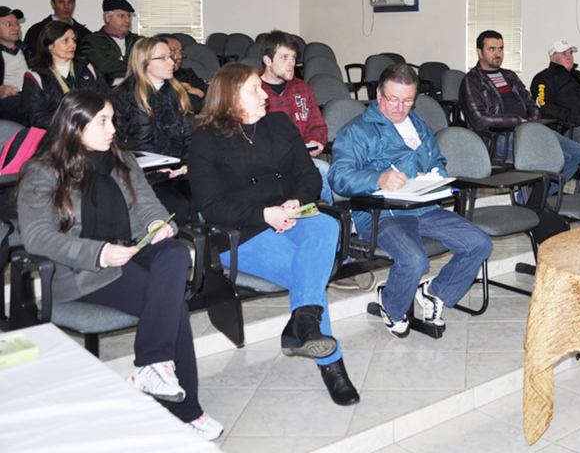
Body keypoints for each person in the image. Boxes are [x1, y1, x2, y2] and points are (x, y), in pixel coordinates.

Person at [15, 89, 222, 440]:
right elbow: (37, 237)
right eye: (103, 122)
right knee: (171, 304)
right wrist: (98, 253)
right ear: (75, 126)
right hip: (81, 272)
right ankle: (187, 411)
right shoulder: (43, 170)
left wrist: (160, 224)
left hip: (128, 253)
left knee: (173, 253)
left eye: (112, 119)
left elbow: (147, 206)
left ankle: (152, 365)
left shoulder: (120, 157)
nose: (113, 129)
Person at [189, 63, 358, 406]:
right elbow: (211, 205)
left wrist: (297, 200)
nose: (265, 93)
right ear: (230, 97)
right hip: (242, 232)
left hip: (292, 215)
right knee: (307, 275)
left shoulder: (279, 123)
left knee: (327, 224)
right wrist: (264, 213)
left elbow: (308, 174)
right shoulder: (206, 138)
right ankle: (330, 361)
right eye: (254, 89)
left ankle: (302, 323)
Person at [329, 63, 493, 338]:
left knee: (479, 243)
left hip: (423, 205)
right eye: (393, 99)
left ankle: (434, 293)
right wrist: (378, 178)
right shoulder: (357, 131)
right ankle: (391, 304)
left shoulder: (418, 125)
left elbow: (438, 160)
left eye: (407, 101)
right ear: (379, 95)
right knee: (415, 260)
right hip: (382, 213)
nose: (400, 107)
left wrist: (435, 174)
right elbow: (338, 177)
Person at [460, 30, 580, 182]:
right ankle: (530, 199)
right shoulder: (472, 80)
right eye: (492, 49)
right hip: (499, 137)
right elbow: (479, 120)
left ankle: (539, 197)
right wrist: (517, 121)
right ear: (479, 52)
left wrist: (530, 123)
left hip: (528, 130)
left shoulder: (509, 76)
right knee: (552, 159)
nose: (498, 53)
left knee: (578, 153)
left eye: (500, 48)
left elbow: (531, 104)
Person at [112, 37, 192, 228]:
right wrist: (150, 169)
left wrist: (187, 163)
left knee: (205, 197)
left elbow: (189, 136)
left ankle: (206, 254)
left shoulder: (177, 92)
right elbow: (115, 145)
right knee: (177, 207)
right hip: (141, 175)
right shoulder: (122, 96)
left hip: (176, 170)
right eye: (163, 58)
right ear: (144, 62)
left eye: (171, 57)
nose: (172, 62)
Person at [259, 30, 331, 202]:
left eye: (293, 57)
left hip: (300, 160)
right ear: (267, 60)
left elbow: (318, 126)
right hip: (267, 164)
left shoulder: (302, 88)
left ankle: (333, 219)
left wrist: (315, 142)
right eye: (284, 57)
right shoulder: (254, 89)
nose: (291, 63)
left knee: (325, 170)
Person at [21, 20, 108, 128]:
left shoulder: (87, 68)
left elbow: (106, 98)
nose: (73, 45)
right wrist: (72, 124)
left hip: (91, 129)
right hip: (55, 135)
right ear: (50, 45)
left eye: (74, 40)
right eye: (65, 40)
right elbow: (36, 117)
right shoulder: (35, 76)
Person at [530, 39, 580, 147]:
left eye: (570, 53)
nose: (569, 57)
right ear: (552, 58)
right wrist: (571, 117)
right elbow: (543, 105)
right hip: (570, 128)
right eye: (564, 54)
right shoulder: (544, 77)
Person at [82, 0, 140, 86]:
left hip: (137, 89)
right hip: (108, 92)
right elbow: (104, 66)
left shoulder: (138, 41)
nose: (127, 20)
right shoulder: (93, 40)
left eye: (129, 16)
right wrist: (136, 66)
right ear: (107, 17)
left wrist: (119, 61)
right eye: (121, 16)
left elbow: (149, 64)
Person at [24, 0, 91, 59]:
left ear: (74, 4)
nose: (66, 6)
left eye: (70, 2)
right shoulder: (37, 31)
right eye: (61, 2)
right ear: (53, 4)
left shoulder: (84, 34)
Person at [0, 6, 29, 123]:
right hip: (7, 100)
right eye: (9, 24)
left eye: (17, 24)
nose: (16, 27)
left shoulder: (28, 51)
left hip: (29, 94)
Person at [158, 35, 207, 101]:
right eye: (174, 51)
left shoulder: (188, 74)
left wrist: (201, 93)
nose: (180, 56)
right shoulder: (156, 79)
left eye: (180, 52)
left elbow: (207, 91)